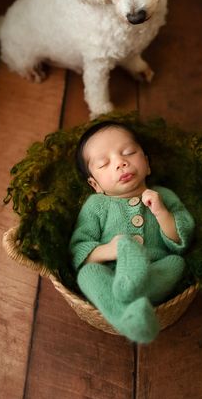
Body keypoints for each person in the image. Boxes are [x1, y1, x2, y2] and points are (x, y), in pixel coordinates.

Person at [69, 121, 195, 343]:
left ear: (146, 163)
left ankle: (129, 304)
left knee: (176, 263)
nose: (120, 163)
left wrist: (161, 213)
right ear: (95, 184)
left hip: (154, 269)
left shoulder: (163, 196)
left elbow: (181, 240)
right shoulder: (97, 205)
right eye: (104, 163)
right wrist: (111, 249)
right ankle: (129, 314)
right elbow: (79, 249)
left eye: (128, 152)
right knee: (87, 274)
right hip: (110, 273)